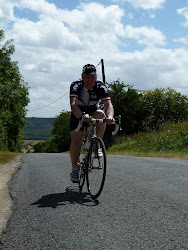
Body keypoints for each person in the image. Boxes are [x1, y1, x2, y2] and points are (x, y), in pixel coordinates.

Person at [69, 64, 114, 183]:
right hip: (78, 113)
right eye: (86, 77)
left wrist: (110, 116)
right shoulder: (76, 85)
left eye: (92, 77)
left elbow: (108, 105)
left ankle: (96, 145)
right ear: (82, 77)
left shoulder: (100, 86)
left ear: (96, 77)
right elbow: (73, 105)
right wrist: (81, 116)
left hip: (93, 111)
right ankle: (74, 169)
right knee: (77, 139)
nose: (89, 80)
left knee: (102, 115)